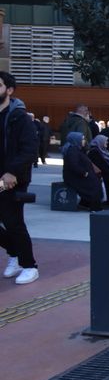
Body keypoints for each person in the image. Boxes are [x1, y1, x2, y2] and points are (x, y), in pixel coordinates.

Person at [0, 72, 39, 285]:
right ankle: (14, 252)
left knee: (13, 221)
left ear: (9, 90)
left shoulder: (19, 118)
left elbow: (30, 150)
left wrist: (12, 172)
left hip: (13, 178)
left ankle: (29, 265)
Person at [62, 132, 102, 212]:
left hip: (80, 174)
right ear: (76, 140)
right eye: (82, 139)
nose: (84, 141)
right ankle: (94, 207)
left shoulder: (77, 148)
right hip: (74, 176)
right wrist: (84, 173)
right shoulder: (72, 150)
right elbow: (73, 165)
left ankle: (86, 204)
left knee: (95, 181)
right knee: (93, 185)